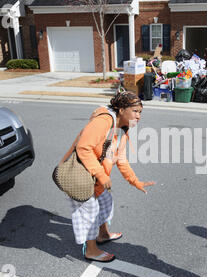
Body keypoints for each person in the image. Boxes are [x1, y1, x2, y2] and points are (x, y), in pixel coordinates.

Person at [61, 91, 155, 263]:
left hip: (96, 177)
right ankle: (91, 250)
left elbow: (121, 159)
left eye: (140, 112)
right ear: (120, 110)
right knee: (89, 212)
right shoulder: (103, 121)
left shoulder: (123, 128)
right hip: (81, 176)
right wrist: (101, 174)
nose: (138, 116)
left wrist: (135, 181)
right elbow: (83, 148)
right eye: (135, 111)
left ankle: (102, 235)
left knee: (105, 202)